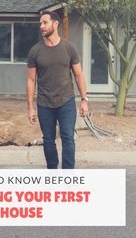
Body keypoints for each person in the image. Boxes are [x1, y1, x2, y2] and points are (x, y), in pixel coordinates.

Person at [26, 11, 88, 169]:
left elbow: (79, 75)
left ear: (55, 24)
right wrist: (30, 107)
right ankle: (53, 175)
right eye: (40, 23)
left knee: (68, 138)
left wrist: (84, 100)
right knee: (48, 140)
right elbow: (31, 80)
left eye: (45, 22)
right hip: (44, 103)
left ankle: (67, 177)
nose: (42, 26)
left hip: (66, 101)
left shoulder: (69, 48)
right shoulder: (35, 51)